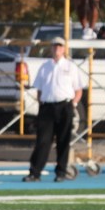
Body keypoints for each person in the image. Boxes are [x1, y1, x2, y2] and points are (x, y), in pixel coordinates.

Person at [24, 37, 84, 183]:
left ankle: (61, 172)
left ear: (64, 49)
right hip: (47, 107)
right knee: (43, 140)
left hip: (65, 106)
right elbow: (39, 89)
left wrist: (74, 104)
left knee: (63, 140)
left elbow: (78, 89)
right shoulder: (45, 66)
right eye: (55, 46)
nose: (57, 49)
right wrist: (42, 103)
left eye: (60, 46)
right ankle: (35, 172)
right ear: (51, 48)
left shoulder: (70, 67)